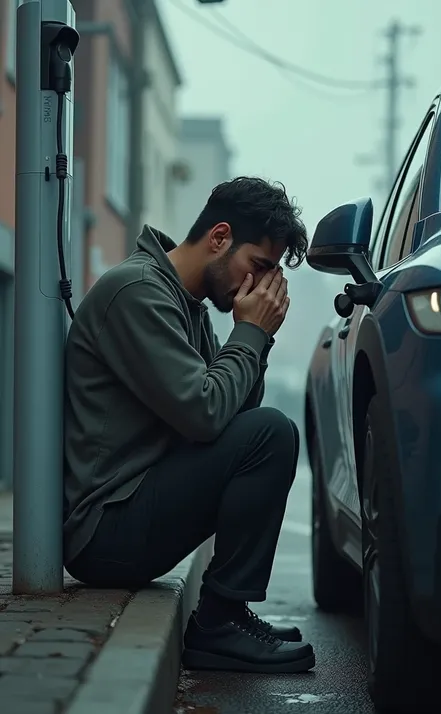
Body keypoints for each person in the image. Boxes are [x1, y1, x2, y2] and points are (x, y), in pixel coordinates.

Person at [63, 176, 315, 674]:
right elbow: (206, 416)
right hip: (104, 529)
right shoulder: (137, 292)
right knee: (273, 433)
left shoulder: (186, 305)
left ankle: (228, 615)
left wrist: (255, 340)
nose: (259, 286)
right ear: (219, 238)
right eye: (258, 267)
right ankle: (218, 624)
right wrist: (249, 332)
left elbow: (235, 416)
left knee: (268, 431)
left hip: (135, 508)